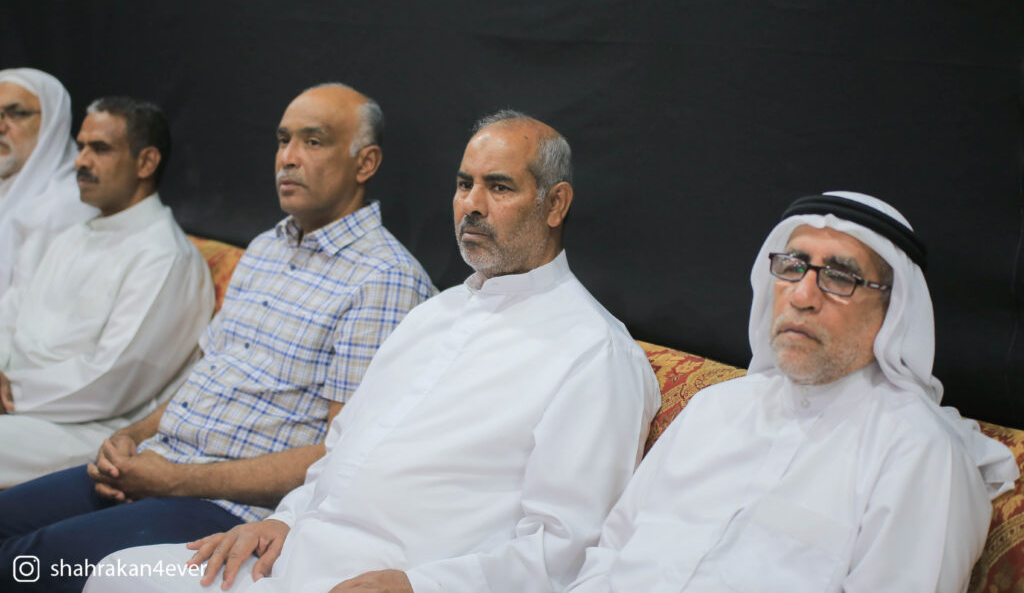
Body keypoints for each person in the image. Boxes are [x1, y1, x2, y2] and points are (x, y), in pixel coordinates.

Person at [85, 110, 661, 593]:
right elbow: (341, 452)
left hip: (398, 581)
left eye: (500, 187)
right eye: (464, 184)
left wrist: (419, 585)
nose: (472, 204)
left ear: (555, 204)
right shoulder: (435, 314)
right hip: (291, 553)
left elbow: (565, 549)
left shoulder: (594, 354)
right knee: (117, 575)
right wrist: (283, 520)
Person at [0, 83, 436, 593]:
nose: (288, 158)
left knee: (27, 565)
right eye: (283, 140)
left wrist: (175, 480)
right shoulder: (267, 247)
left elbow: (338, 455)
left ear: (365, 163)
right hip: (159, 462)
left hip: (226, 505)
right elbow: (204, 380)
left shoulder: (384, 278)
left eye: (313, 142)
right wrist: (131, 438)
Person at [566, 191, 1019, 593]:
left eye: (839, 277)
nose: (802, 296)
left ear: (892, 311)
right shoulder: (715, 407)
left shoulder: (917, 453)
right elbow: (610, 552)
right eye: (792, 267)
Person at [0, 96, 214, 487]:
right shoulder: (74, 235)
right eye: (81, 146)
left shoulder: (165, 257)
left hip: (88, 427)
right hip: (21, 402)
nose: (80, 161)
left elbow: (114, 379)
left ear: (146, 162)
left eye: (99, 149)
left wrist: (14, 391)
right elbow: (11, 312)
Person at [0, 68, 95, 297]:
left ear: (53, 121)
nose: (1, 127)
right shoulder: (7, 186)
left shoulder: (69, 204)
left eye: (16, 114)